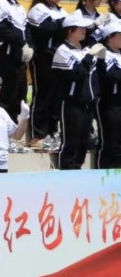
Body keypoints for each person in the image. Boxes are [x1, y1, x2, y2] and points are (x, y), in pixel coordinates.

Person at [51, 12, 99, 171]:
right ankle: (66, 175)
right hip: (71, 103)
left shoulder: (85, 50)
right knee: (71, 143)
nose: (85, 30)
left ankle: (77, 173)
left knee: (83, 144)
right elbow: (76, 74)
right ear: (70, 30)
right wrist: (89, 57)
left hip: (87, 104)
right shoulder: (63, 50)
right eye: (80, 28)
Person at [26, 0, 68, 145]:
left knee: (57, 97)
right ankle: (37, 134)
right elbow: (46, 29)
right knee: (43, 95)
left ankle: (52, 132)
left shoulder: (60, 10)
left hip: (59, 58)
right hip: (43, 57)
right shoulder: (38, 9)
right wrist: (62, 24)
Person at [94, 19, 121, 169]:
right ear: (110, 37)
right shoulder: (105, 54)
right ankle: (105, 173)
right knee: (110, 142)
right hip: (110, 103)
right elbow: (111, 75)